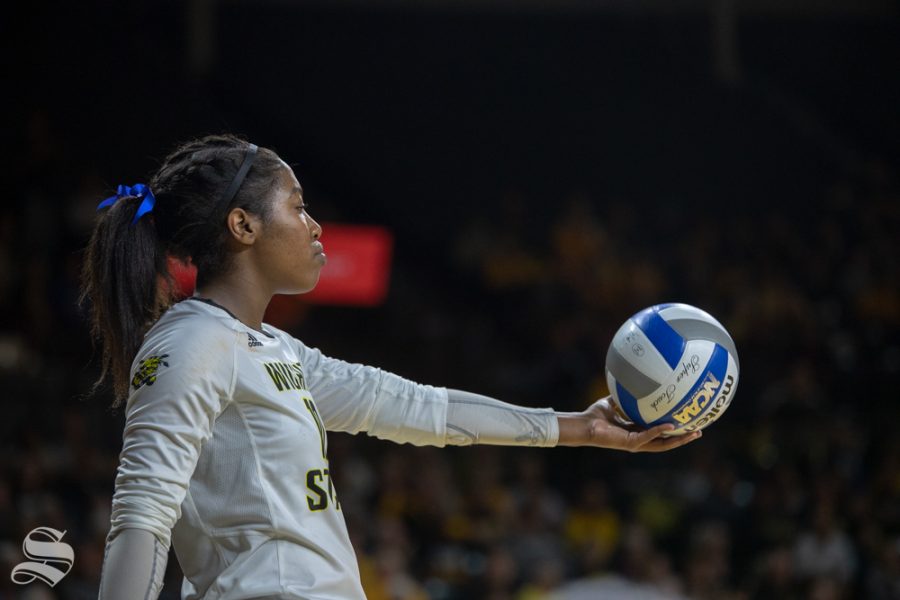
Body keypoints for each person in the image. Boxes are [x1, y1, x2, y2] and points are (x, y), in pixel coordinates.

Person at [81, 134, 701, 599]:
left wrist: (582, 428)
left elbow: (417, 407)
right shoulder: (188, 345)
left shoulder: (273, 349)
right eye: (297, 207)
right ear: (242, 225)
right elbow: (141, 517)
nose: (315, 224)